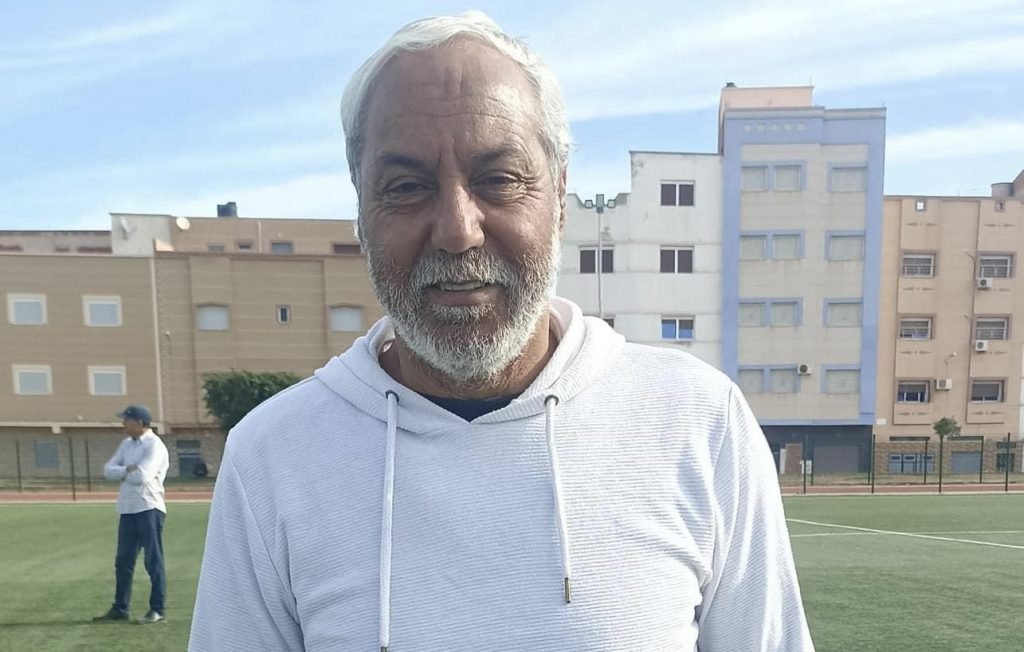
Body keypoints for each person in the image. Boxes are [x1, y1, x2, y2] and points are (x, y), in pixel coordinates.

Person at [189, 11, 814, 651]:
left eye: (499, 180)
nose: (457, 230)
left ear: (560, 198)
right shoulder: (272, 457)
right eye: (406, 186)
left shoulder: (699, 421)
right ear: (360, 210)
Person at [93, 404, 169, 625]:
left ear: (140, 422)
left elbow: (142, 477)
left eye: (127, 420)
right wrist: (127, 469)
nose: (123, 423)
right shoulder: (127, 444)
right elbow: (108, 471)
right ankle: (120, 608)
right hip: (127, 509)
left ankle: (157, 609)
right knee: (123, 561)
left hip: (149, 507)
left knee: (153, 560)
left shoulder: (155, 445)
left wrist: (125, 472)